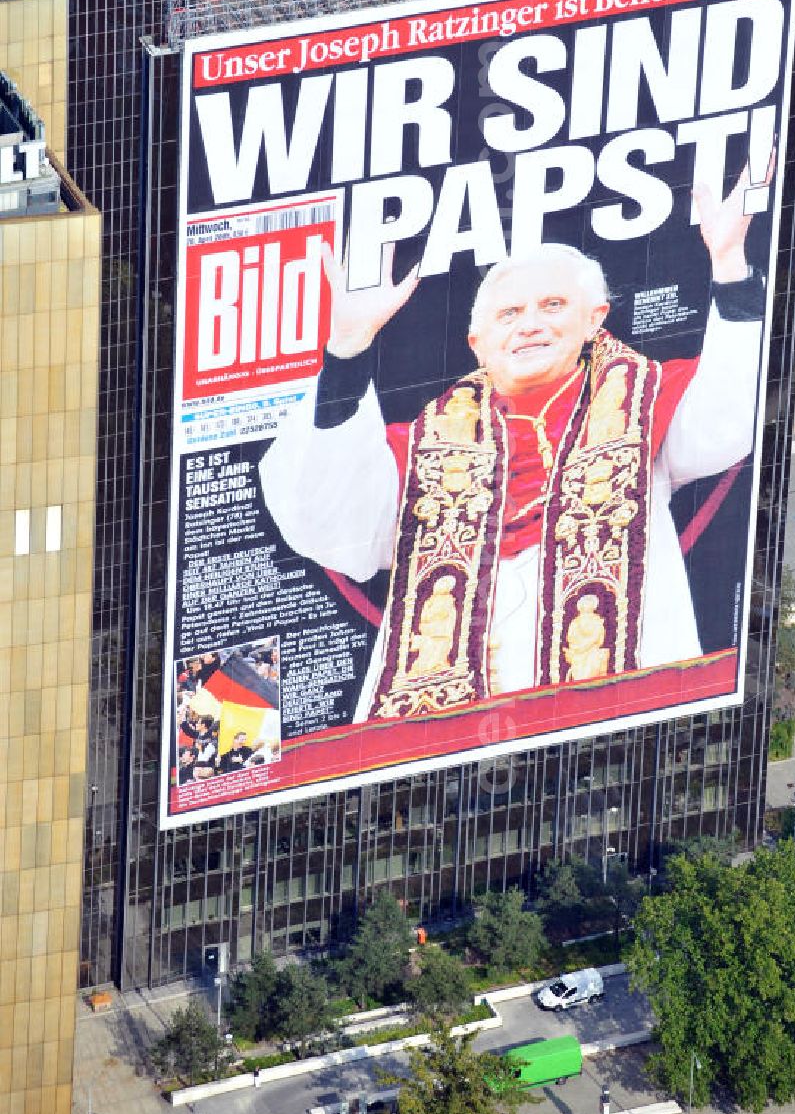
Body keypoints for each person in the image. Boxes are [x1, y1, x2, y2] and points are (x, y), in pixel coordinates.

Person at [260, 165, 768, 724]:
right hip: (441, 747)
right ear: (478, 344)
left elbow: (728, 420)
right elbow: (329, 527)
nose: (529, 325)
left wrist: (730, 268)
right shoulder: (421, 445)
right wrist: (348, 351)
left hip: (616, 723)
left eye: (552, 306)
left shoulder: (644, 402)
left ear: (594, 319)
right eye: (509, 314)